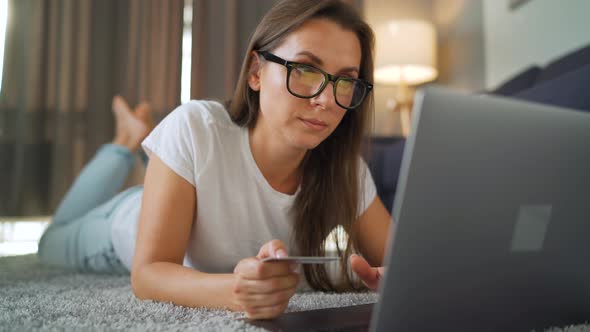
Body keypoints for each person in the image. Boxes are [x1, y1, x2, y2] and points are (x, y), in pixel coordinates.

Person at [38, 0, 392, 320]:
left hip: (192, 177)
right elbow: (148, 273)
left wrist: (394, 277)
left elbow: (402, 259)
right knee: (50, 242)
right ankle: (124, 143)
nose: (326, 100)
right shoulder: (196, 126)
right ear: (255, 71)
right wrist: (236, 292)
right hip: (125, 225)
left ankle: (148, 149)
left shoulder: (345, 171)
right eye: (305, 70)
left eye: (346, 81)